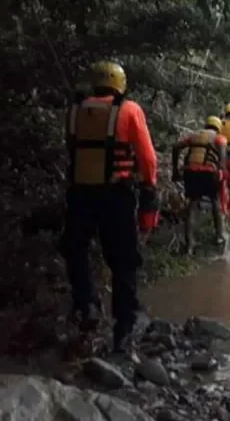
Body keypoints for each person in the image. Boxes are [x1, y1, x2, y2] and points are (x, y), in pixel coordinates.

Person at [61, 60, 159, 352]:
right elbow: (148, 159)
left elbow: (72, 149)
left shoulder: (75, 110)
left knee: (74, 248)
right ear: (120, 83)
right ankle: (124, 329)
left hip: (80, 194)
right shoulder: (129, 110)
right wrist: (150, 188)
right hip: (116, 195)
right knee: (124, 261)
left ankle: (87, 304)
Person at [172, 116, 228, 255]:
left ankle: (190, 244)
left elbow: (176, 147)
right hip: (208, 173)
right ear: (218, 127)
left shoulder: (193, 136)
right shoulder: (219, 138)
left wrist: (175, 169)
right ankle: (219, 237)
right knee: (215, 202)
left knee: (192, 205)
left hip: (190, 173)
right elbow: (222, 160)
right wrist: (221, 174)